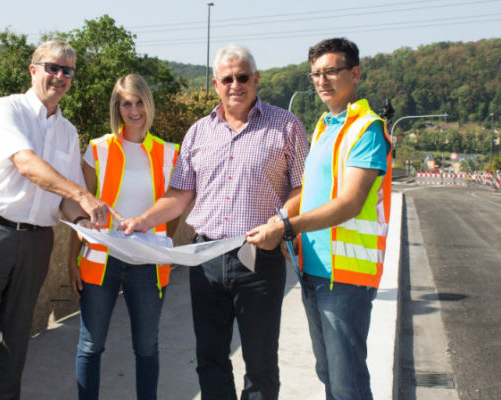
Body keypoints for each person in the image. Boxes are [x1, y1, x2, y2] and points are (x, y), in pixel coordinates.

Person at [120, 44, 308, 399]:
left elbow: (302, 188)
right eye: (227, 79)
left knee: (260, 363)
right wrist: (141, 221)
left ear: (255, 78)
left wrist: (280, 224)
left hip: (259, 257)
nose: (235, 85)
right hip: (205, 258)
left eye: (241, 77)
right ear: (215, 84)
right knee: (209, 358)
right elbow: (178, 195)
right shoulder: (198, 132)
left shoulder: (286, 125)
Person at [0, 40, 116, 400]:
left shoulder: (67, 131)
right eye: (53, 67)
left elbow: (67, 200)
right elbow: (26, 164)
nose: (60, 76)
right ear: (33, 70)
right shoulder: (8, 110)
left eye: (68, 71)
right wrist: (83, 195)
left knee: (15, 344)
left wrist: (85, 221)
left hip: (37, 241)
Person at [246, 38, 393, 400]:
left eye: (330, 71)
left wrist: (287, 227)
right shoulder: (326, 127)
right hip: (313, 269)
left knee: (347, 382)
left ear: (354, 74)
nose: (321, 80)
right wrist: (282, 225)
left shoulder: (367, 129)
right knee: (328, 372)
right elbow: (311, 193)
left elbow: (350, 203)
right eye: (315, 74)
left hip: (345, 275)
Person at [68, 73, 179, 400]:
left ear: (149, 103)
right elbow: (80, 204)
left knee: (147, 348)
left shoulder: (169, 153)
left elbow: (173, 211)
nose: (133, 110)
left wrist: (158, 246)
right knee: (90, 345)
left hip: (147, 263)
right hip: (100, 261)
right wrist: (70, 261)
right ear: (117, 108)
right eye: (126, 103)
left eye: (139, 101)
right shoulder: (97, 149)